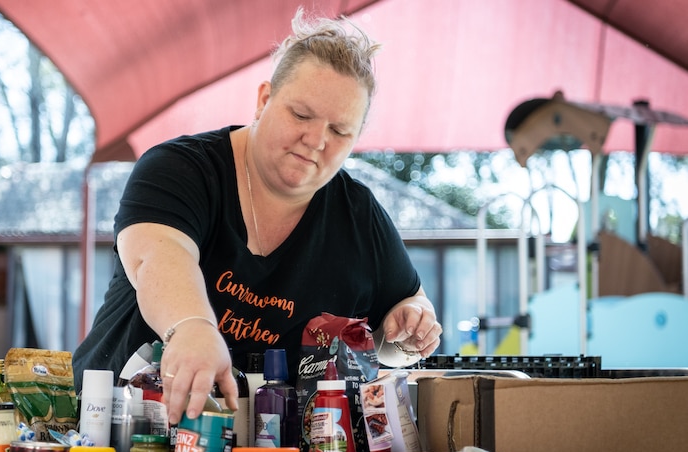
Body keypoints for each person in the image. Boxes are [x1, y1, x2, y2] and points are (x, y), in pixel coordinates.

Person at [73, 8, 442, 426]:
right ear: (264, 99)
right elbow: (158, 255)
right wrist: (191, 326)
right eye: (301, 115)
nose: (316, 140)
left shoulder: (360, 216)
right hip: (117, 432)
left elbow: (399, 329)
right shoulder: (179, 168)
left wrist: (409, 330)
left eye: (340, 131)